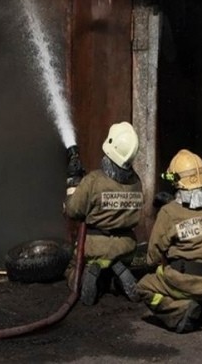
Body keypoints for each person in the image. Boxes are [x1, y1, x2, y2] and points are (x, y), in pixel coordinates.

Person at [135, 149, 202, 333]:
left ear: (177, 181)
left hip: (187, 282)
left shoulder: (169, 212)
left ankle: (180, 311)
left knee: (144, 287)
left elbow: (153, 256)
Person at [63, 122, 144, 305]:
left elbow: (73, 210)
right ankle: (118, 270)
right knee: (112, 274)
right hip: (125, 247)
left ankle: (87, 275)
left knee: (71, 270)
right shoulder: (137, 182)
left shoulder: (93, 180)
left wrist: (73, 182)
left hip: (94, 247)